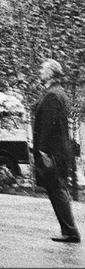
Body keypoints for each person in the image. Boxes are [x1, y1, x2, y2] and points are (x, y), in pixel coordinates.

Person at [33, 59, 81, 243]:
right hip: (59, 150)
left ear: (50, 73)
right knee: (57, 188)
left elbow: (48, 125)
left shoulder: (52, 95)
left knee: (56, 189)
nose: (40, 72)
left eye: (42, 70)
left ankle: (70, 231)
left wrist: (43, 151)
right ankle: (68, 230)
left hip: (52, 152)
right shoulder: (58, 92)